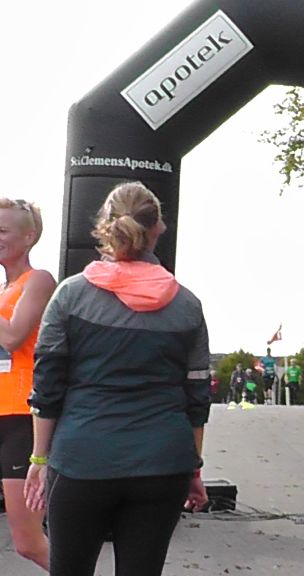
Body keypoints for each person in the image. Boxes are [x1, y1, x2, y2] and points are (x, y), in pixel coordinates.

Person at [24, 181, 211, 576]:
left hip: (81, 461)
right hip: (164, 462)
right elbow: (197, 396)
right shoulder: (187, 305)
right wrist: (193, 468)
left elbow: (48, 387)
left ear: (104, 226)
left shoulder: (71, 296)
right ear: (159, 228)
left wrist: (39, 459)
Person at [0, 198, 55, 570]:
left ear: (28, 236)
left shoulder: (38, 280)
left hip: (22, 417)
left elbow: (13, 336)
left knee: (29, 543)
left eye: (3, 230)